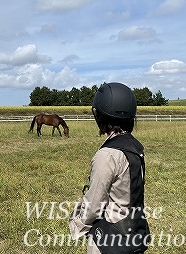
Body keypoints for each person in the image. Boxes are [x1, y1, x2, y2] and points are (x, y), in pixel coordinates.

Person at [69, 82, 150, 253]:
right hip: (134, 232)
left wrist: (77, 226)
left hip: (110, 238)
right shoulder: (135, 146)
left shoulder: (107, 155)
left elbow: (94, 203)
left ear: (100, 116)